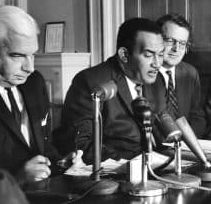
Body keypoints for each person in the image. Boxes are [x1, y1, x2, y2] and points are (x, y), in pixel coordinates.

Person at [0, 5, 83, 184]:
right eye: (17, 56)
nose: (29, 68)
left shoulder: (34, 82)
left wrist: (60, 163)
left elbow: (44, 149)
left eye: (33, 55)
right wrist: (17, 179)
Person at [56, 18, 165, 164]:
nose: (157, 63)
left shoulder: (156, 81)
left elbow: (162, 131)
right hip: (114, 176)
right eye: (148, 55)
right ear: (124, 55)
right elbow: (81, 145)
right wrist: (128, 165)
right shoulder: (91, 82)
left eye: (161, 54)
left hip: (155, 169)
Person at [155, 13, 206, 138]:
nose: (176, 49)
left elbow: (197, 117)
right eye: (170, 41)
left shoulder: (190, 73)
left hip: (187, 146)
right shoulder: (145, 73)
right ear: (156, 40)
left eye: (182, 43)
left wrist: (186, 142)